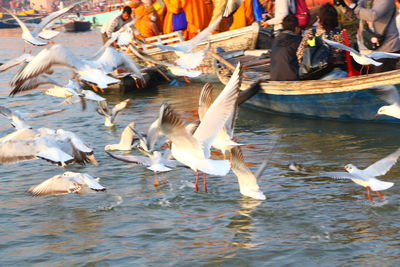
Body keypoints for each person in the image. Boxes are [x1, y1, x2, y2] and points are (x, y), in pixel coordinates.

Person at [337, 0, 400, 73]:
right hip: (372, 48)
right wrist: (344, 5)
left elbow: (373, 15)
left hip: (387, 48)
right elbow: (353, 16)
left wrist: (352, 6)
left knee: (383, 80)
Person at [297, 3, 348, 80]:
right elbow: (350, 55)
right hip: (338, 73)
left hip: (315, 74)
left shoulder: (311, 33)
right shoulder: (343, 33)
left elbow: (300, 55)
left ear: (319, 18)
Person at [270, 14, 302, 81]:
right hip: (292, 78)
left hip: (275, 77)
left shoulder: (275, 39)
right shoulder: (298, 40)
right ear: (296, 28)